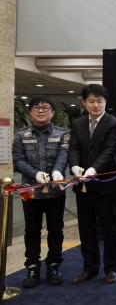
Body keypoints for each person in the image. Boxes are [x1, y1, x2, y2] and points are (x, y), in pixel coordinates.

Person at [68, 84, 116, 284]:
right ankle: (89, 267)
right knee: (86, 228)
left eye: (99, 101)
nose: (95, 105)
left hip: (106, 183)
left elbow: (109, 151)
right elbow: (73, 148)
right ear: (84, 103)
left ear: (105, 102)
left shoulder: (114, 124)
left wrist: (93, 170)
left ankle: (111, 268)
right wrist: (75, 167)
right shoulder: (78, 123)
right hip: (83, 184)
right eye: (91, 101)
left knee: (109, 228)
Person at [12, 95, 69, 288]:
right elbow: (18, 160)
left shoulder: (62, 134)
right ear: (30, 112)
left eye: (45, 107)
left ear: (52, 112)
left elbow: (63, 155)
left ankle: (53, 265)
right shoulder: (21, 135)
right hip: (31, 192)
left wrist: (57, 171)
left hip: (55, 192)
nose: (41, 110)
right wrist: (35, 174)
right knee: (31, 231)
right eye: (37, 107)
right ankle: (32, 267)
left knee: (55, 229)